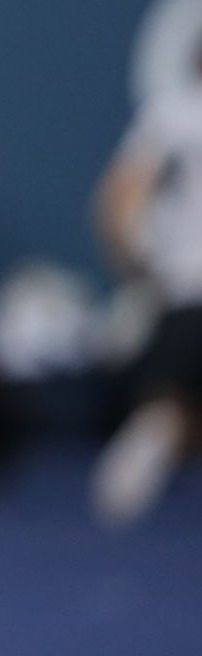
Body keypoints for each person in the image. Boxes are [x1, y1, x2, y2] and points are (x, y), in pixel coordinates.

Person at [92, 34, 202, 527]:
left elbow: (118, 199)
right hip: (186, 288)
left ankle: (159, 425)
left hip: (184, 288)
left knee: (170, 398)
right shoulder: (177, 113)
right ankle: (161, 425)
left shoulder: (175, 112)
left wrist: (134, 263)